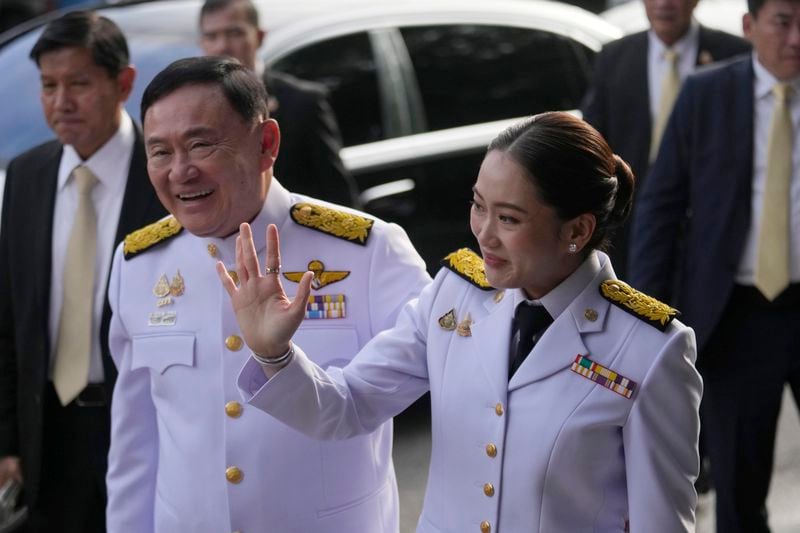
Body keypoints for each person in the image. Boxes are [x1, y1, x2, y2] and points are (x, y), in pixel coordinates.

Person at [224, 112, 703, 532]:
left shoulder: (650, 349)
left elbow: (661, 522)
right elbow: (347, 406)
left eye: (509, 219)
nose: (484, 234)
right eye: (478, 206)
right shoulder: (454, 296)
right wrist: (275, 355)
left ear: (576, 230)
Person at [104, 56, 430, 533]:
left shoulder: (367, 250)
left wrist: (282, 363)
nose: (180, 171)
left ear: (266, 143)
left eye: (200, 145)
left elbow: (422, 380)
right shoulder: (138, 263)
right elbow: (136, 441)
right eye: (159, 152)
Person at [629, 0, 800, 530]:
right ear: (749, 26)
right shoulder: (707, 95)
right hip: (739, 314)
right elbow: (660, 207)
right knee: (740, 482)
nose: (797, 38)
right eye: (783, 22)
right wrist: (644, 315)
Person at [0, 10, 166, 533]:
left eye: (78, 83)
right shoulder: (26, 176)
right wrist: (9, 441)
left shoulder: (166, 176)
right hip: (49, 428)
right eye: (48, 86)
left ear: (124, 83)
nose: (60, 102)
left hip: (144, 425)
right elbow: (9, 317)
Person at [581, 0, 749, 278]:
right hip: (632, 222)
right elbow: (593, 140)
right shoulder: (615, 57)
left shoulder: (734, 54)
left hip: (712, 223)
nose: (664, 4)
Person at [198, 0, 359, 207]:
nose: (222, 46)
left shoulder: (302, 103)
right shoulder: (193, 111)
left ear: (259, 36)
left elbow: (339, 197)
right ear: (201, 43)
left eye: (235, 33)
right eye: (211, 36)